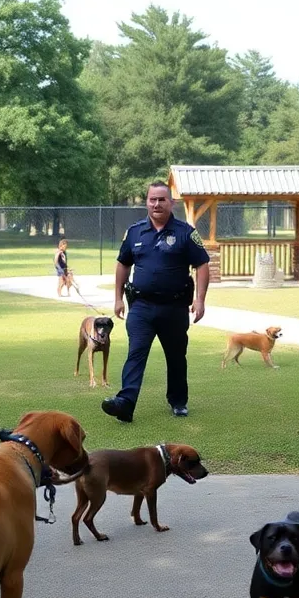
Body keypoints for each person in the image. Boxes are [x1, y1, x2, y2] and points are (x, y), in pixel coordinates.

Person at [101, 181, 209, 422]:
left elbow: (202, 264)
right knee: (136, 353)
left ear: (171, 203)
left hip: (174, 307)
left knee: (176, 356)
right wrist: (118, 298)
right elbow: (123, 264)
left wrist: (200, 300)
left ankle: (178, 401)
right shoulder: (135, 232)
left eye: (162, 199)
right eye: (152, 199)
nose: (157, 204)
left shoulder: (186, 233)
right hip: (141, 307)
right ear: (147, 202)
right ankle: (125, 403)